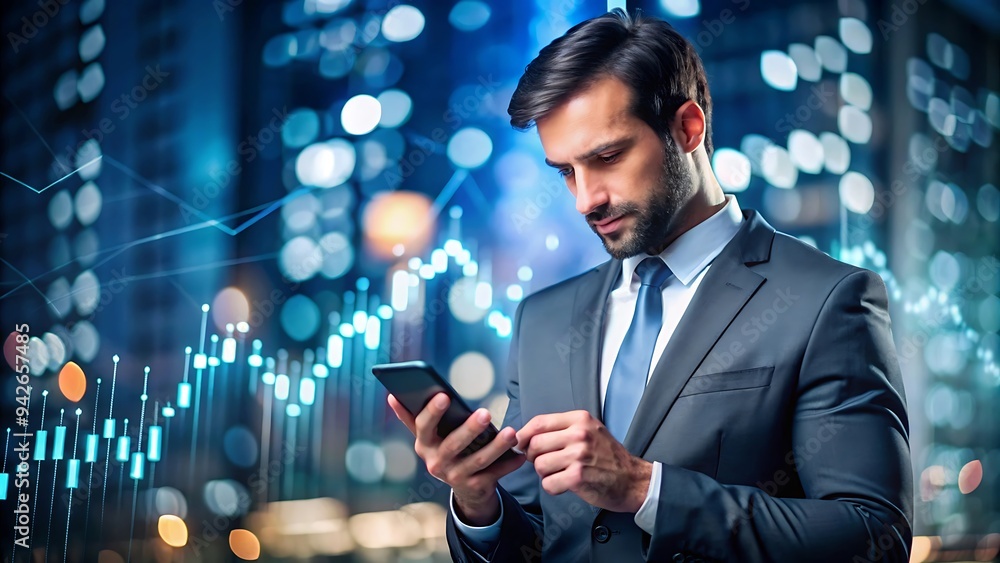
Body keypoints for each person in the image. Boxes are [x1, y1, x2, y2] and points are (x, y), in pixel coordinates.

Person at [388, 8, 912, 562]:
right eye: (566, 171)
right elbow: (541, 540)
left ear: (688, 128)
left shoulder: (826, 300)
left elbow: (873, 536)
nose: (585, 199)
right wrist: (477, 502)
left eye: (607, 156)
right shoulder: (542, 320)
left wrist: (646, 489)